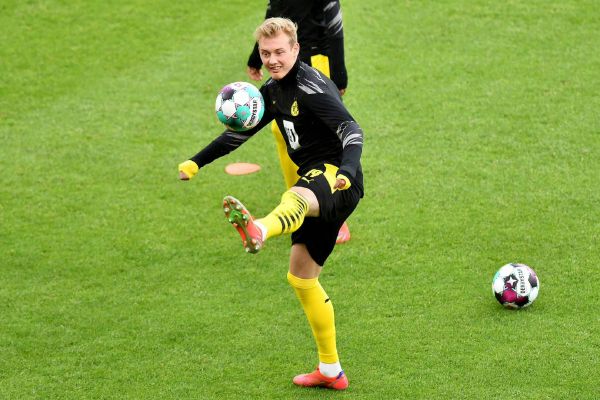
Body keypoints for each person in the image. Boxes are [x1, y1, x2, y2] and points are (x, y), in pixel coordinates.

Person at [178, 17, 364, 390]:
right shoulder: (273, 89)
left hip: (336, 178)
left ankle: (259, 228)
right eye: (266, 53)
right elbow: (238, 134)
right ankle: (331, 370)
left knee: (296, 196)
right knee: (302, 278)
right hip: (320, 178)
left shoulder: (311, 87)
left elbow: (351, 129)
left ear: (296, 49)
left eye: (279, 52)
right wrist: (196, 163)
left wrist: (346, 169)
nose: (272, 59)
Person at [246, 0, 352, 244]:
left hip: (315, 59)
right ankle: (298, 202)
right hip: (285, 60)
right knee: (282, 132)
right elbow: (272, 17)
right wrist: (255, 57)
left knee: (320, 136)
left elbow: (335, 26)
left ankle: (335, 211)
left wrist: (339, 74)